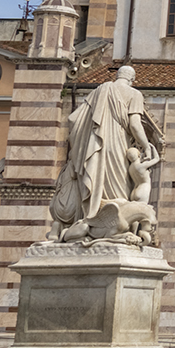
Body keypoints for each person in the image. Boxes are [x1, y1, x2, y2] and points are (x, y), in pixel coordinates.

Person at [49, 66, 161, 241]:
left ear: (118, 76)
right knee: (119, 193)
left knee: (98, 182)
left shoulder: (99, 90)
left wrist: (82, 143)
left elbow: (73, 119)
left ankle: (92, 221)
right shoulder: (134, 94)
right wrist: (146, 145)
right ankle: (108, 228)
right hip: (118, 143)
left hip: (96, 143)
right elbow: (134, 124)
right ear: (132, 79)